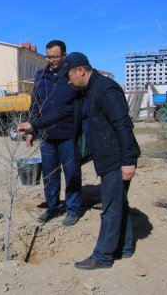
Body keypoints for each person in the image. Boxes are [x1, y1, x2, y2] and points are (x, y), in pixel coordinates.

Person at [38, 52, 140, 270]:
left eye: (69, 77)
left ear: (81, 71)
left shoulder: (106, 89)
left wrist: (128, 160)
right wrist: (34, 125)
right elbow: (64, 112)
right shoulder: (86, 93)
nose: (68, 81)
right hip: (106, 157)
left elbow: (123, 124)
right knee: (119, 202)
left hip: (117, 158)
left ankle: (102, 257)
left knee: (110, 208)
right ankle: (126, 247)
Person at [23, 40, 82, 226]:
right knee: (49, 174)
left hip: (68, 134)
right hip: (47, 135)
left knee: (72, 172)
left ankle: (73, 209)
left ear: (64, 55)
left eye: (55, 57)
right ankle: (52, 207)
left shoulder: (71, 75)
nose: (51, 60)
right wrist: (31, 129)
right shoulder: (41, 76)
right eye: (48, 56)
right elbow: (35, 104)